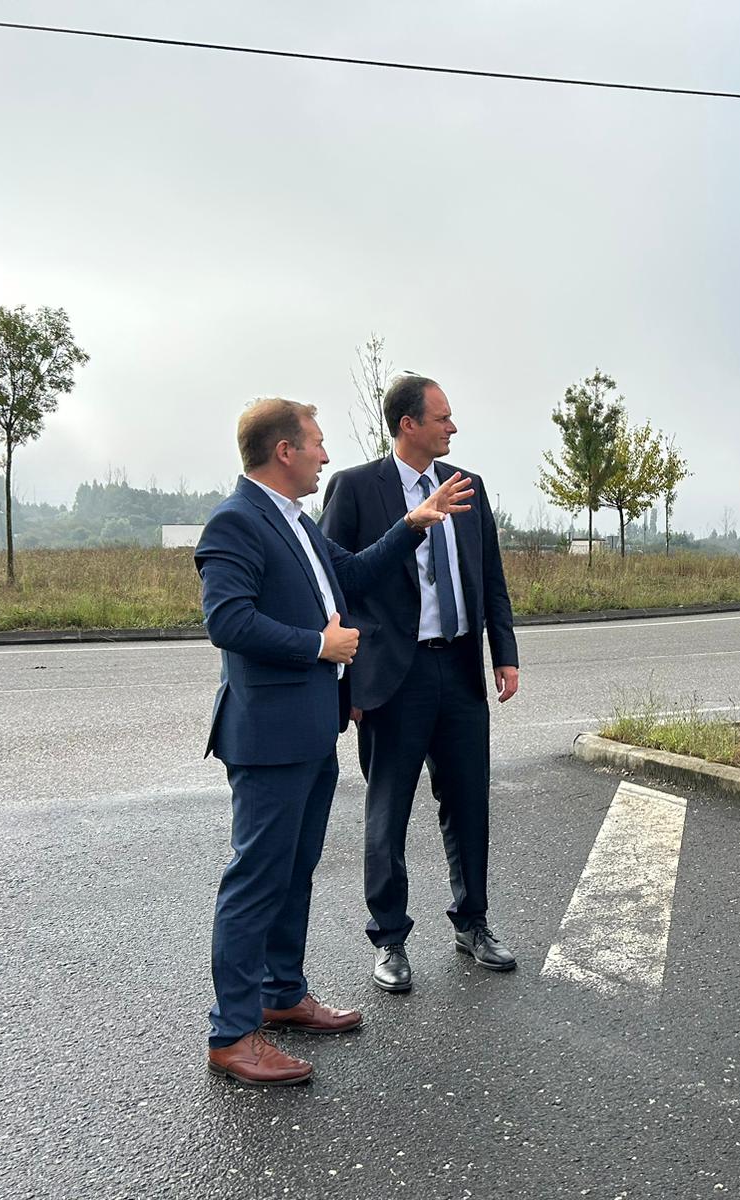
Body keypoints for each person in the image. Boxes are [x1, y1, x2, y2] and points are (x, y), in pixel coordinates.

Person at [197, 397, 473, 1085]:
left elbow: (347, 575)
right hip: (267, 736)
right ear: (283, 451)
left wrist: (412, 524)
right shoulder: (236, 522)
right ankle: (233, 1034)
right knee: (255, 881)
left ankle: (282, 995)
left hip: (313, 729)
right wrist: (319, 646)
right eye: (315, 443)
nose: (325, 454)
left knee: (294, 874)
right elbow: (228, 622)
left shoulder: (294, 522)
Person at [320, 373, 520, 994]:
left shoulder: (468, 487)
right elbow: (336, 584)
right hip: (392, 678)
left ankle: (473, 922)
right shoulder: (355, 488)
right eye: (442, 418)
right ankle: (390, 940)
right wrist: (346, 681)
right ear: (408, 424)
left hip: (458, 667)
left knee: (468, 804)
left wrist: (503, 652)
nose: (452, 428)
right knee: (389, 811)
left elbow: (490, 577)